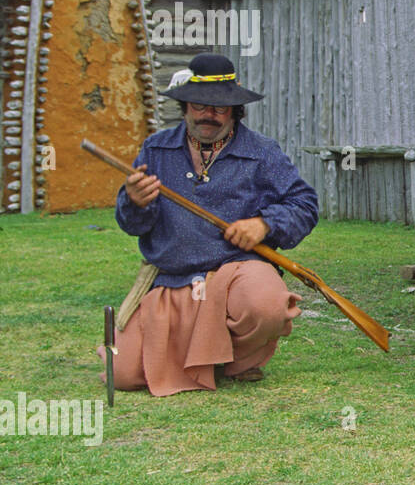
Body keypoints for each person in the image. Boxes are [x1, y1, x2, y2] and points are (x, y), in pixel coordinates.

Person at [106, 52, 319, 395]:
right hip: (173, 279)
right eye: (200, 105)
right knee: (124, 375)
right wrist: (134, 201)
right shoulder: (156, 149)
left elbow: (304, 205)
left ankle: (238, 360)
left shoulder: (262, 152)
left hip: (236, 273)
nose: (209, 115)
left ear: (235, 110)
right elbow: (132, 223)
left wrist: (264, 224)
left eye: (220, 108)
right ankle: (201, 353)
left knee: (266, 305)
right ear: (186, 106)